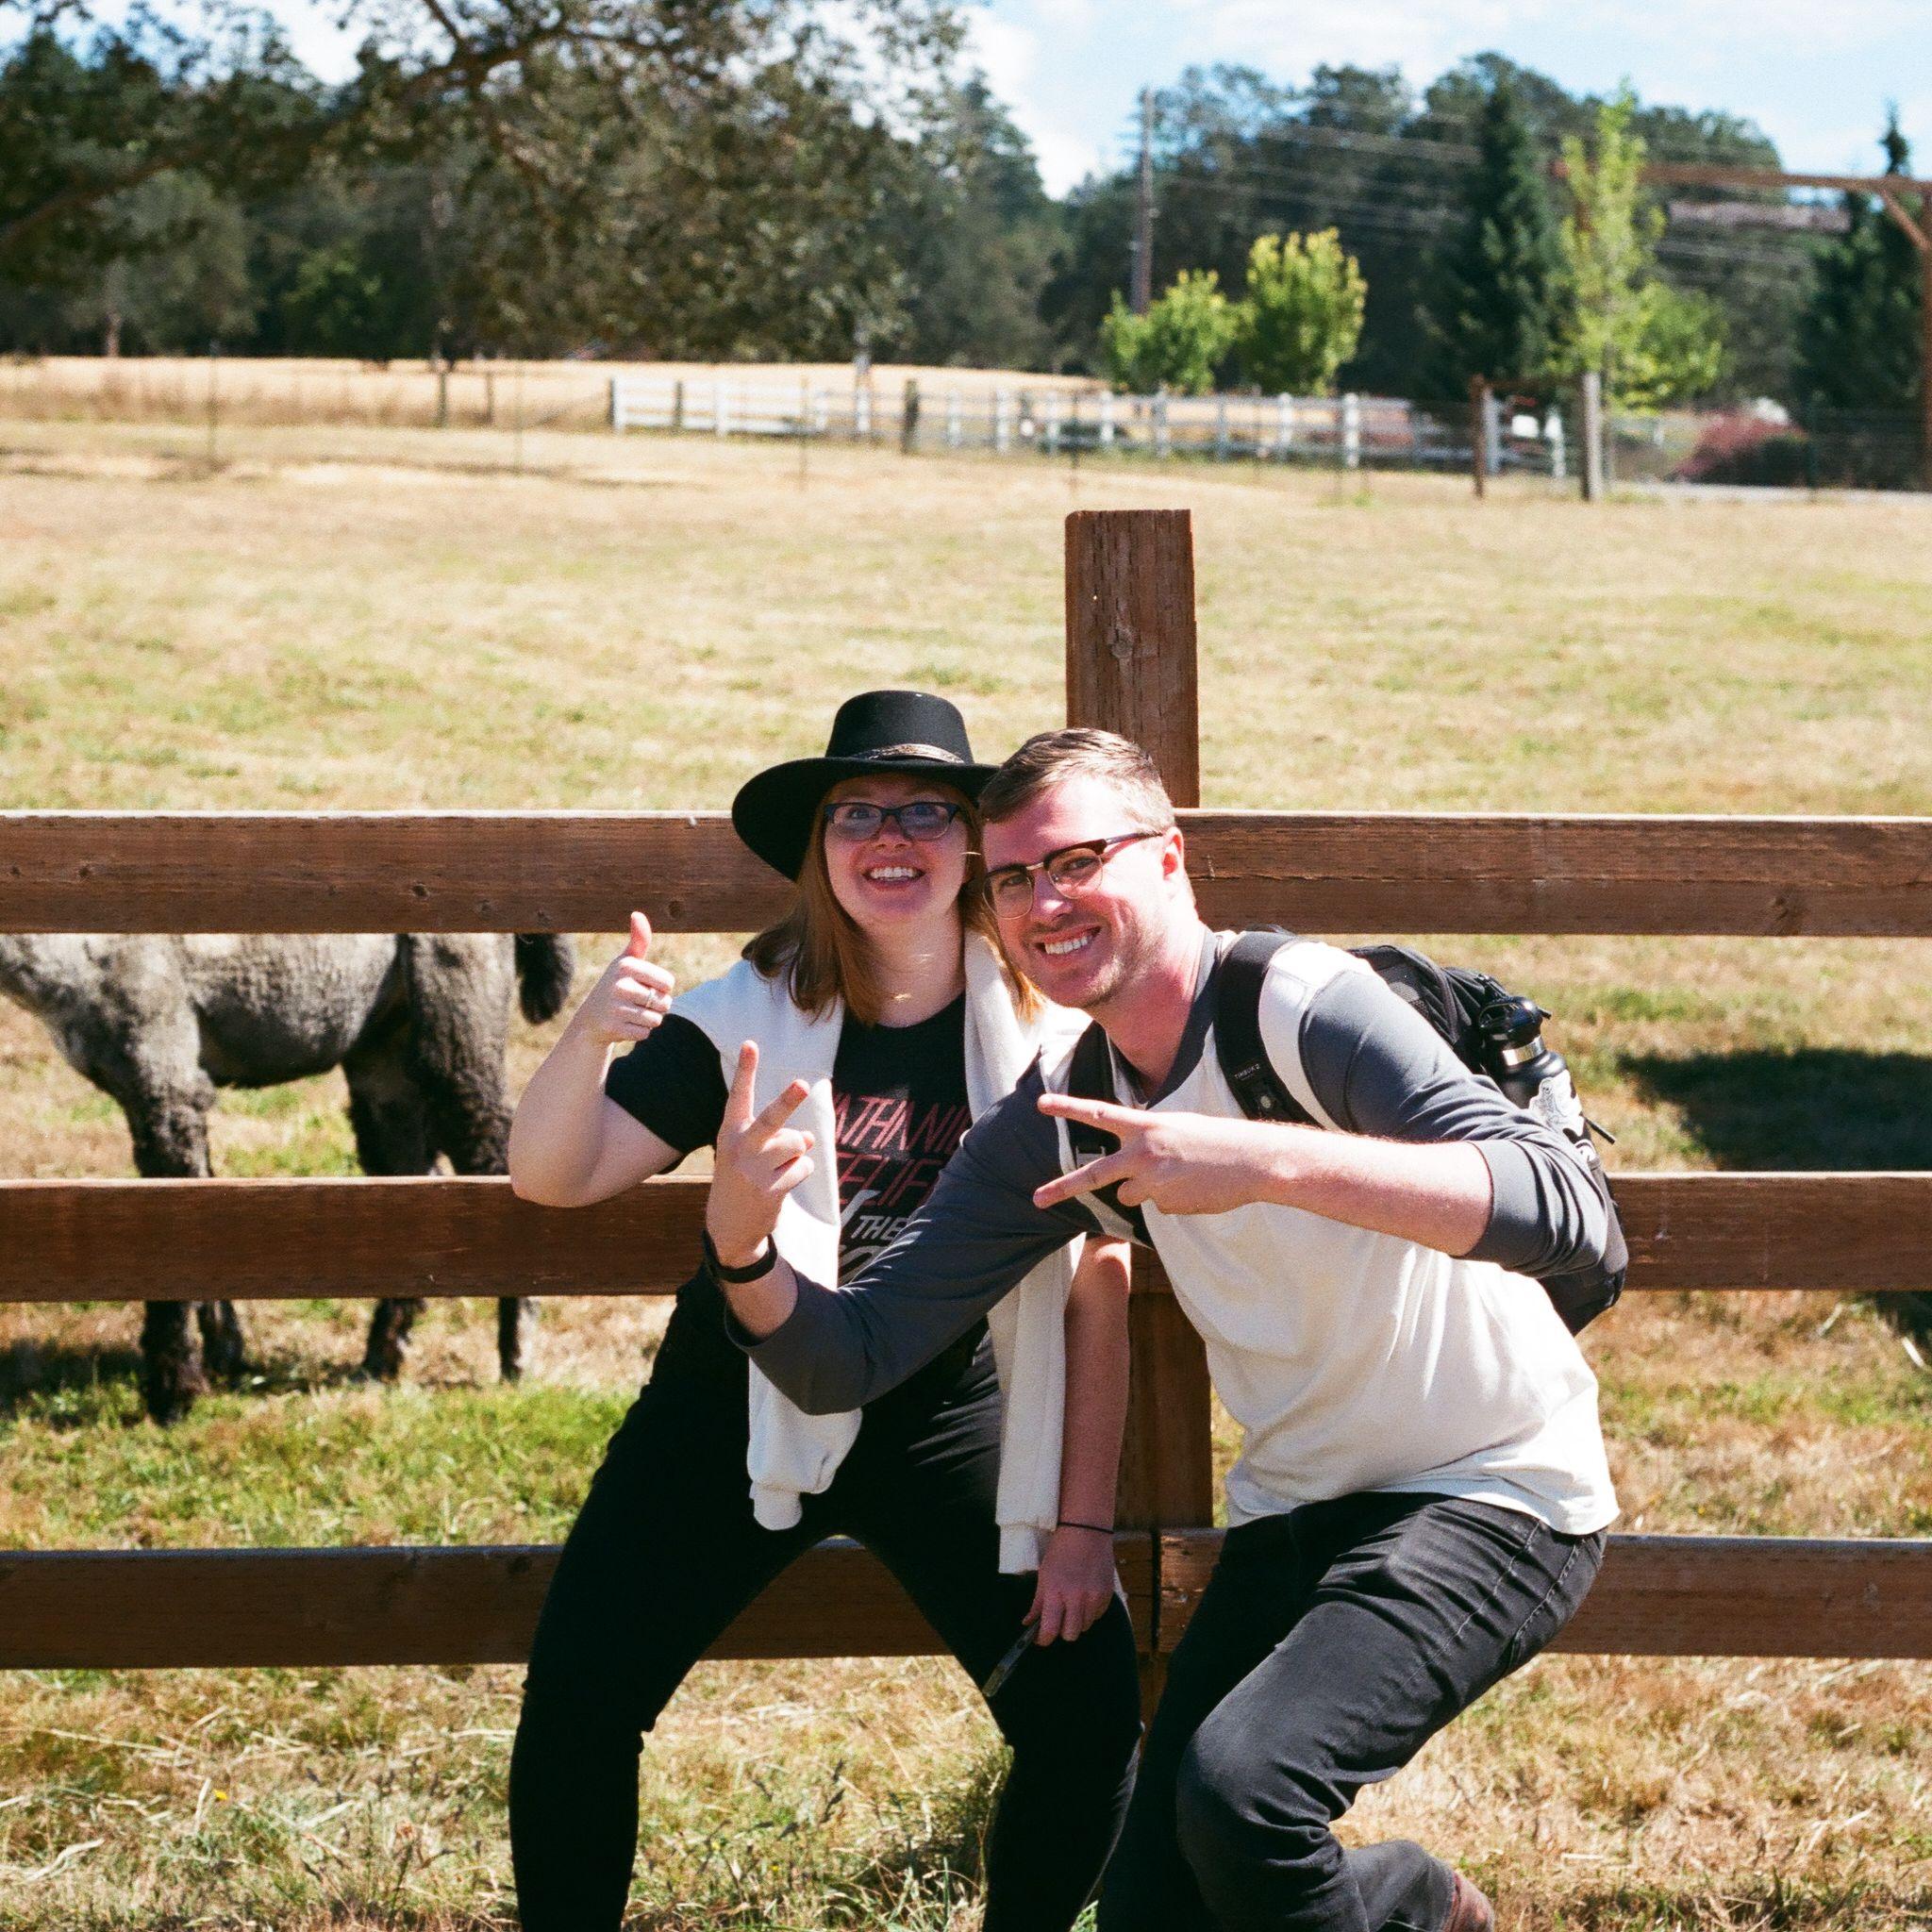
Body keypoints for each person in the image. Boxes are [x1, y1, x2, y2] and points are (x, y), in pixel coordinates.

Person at [705, 726, 1622, 1932]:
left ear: (1169, 858)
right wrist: (741, 1244)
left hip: (1493, 1485)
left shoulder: (1296, 1006)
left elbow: (1576, 1220)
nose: (1044, 901)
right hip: (1296, 1501)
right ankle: (1414, 1904)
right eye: (1014, 877)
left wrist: (1256, 1158)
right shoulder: (1068, 1114)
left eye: (1077, 859)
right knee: (1150, 1910)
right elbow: (851, 1354)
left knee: (1244, 1799)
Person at [504, 693, 1143, 1932]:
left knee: (1089, 1716)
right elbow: (553, 1175)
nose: (890, 838)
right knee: (580, 1701)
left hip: (950, 1411)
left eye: (926, 812)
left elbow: (1098, 1280)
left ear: (973, 848)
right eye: (858, 813)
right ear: (820, 845)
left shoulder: (1049, 1037)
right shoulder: (743, 1011)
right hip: (733, 1403)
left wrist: (1081, 1523)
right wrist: (591, 1038)